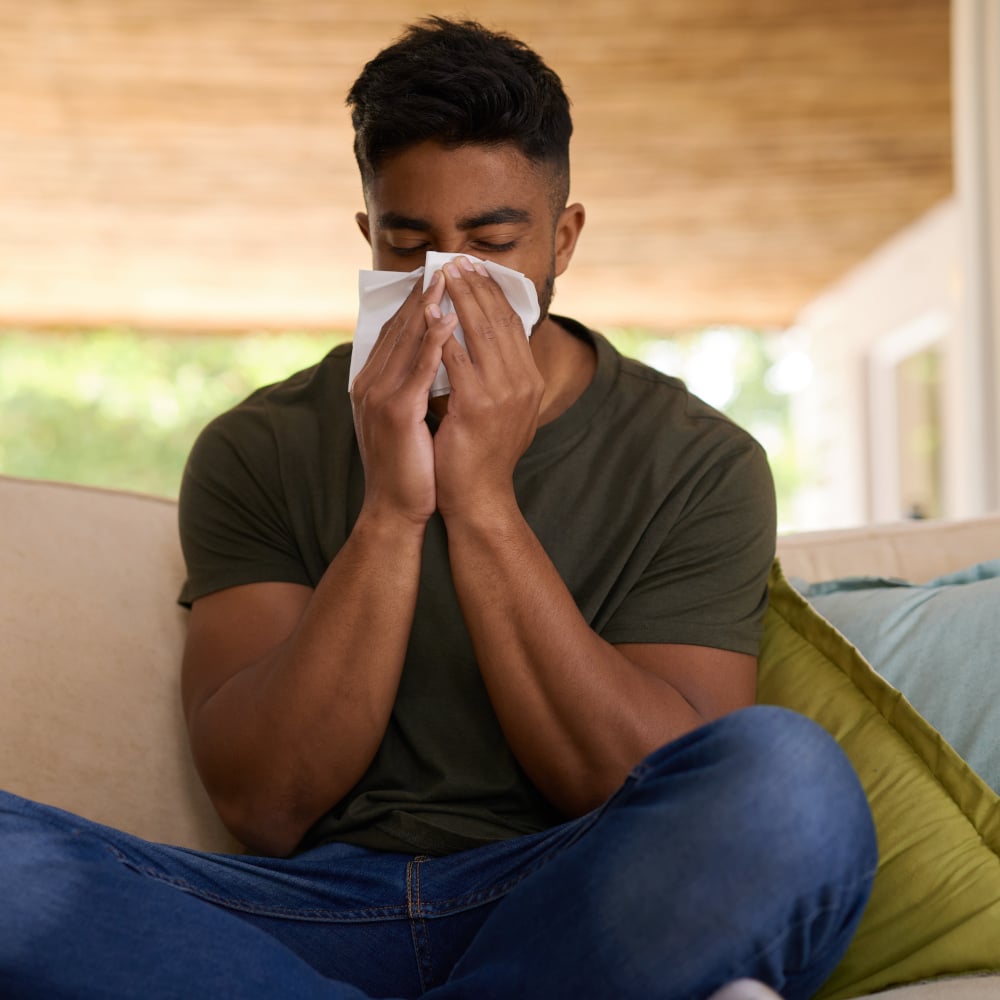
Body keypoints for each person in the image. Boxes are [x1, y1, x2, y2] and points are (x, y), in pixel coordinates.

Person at [0, 17, 877, 1000]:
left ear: (563, 238)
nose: (443, 282)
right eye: (406, 243)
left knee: (790, 783)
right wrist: (391, 507)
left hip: (573, 899)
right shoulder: (260, 446)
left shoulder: (695, 462)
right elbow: (267, 802)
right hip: (309, 917)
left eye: (492, 242)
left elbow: (640, 784)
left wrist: (483, 498)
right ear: (366, 236)